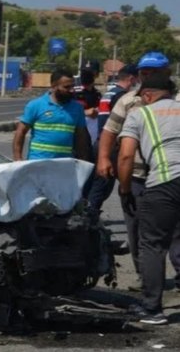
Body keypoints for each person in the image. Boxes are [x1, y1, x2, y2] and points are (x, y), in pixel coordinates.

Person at [96, 51, 180, 292]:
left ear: (166, 73)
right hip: (136, 176)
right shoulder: (128, 101)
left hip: (168, 176)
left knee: (175, 232)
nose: (147, 75)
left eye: (153, 72)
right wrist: (103, 158)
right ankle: (147, 278)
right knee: (137, 230)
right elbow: (110, 133)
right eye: (144, 72)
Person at [117, 72, 180, 325]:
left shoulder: (139, 114)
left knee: (152, 245)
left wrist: (124, 189)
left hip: (163, 183)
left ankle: (152, 308)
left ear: (147, 95)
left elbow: (125, 157)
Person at [85, 65, 138, 215]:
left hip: (101, 142)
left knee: (100, 184)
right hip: (111, 145)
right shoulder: (122, 96)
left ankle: (89, 215)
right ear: (132, 79)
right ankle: (89, 218)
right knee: (105, 186)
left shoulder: (109, 93)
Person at [13, 68, 89, 161]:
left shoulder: (77, 108)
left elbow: (81, 136)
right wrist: (18, 159)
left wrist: (83, 160)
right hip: (38, 163)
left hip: (64, 165)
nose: (71, 90)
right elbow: (20, 132)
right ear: (54, 86)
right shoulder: (36, 105)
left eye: (72, 86)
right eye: (66, 87)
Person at [74, 68, 101, 146]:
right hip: (80, 121)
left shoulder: (96, 93)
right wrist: (85, 112)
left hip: (93, 123)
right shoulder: (76, 92)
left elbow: (99, 107)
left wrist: (96, 111)